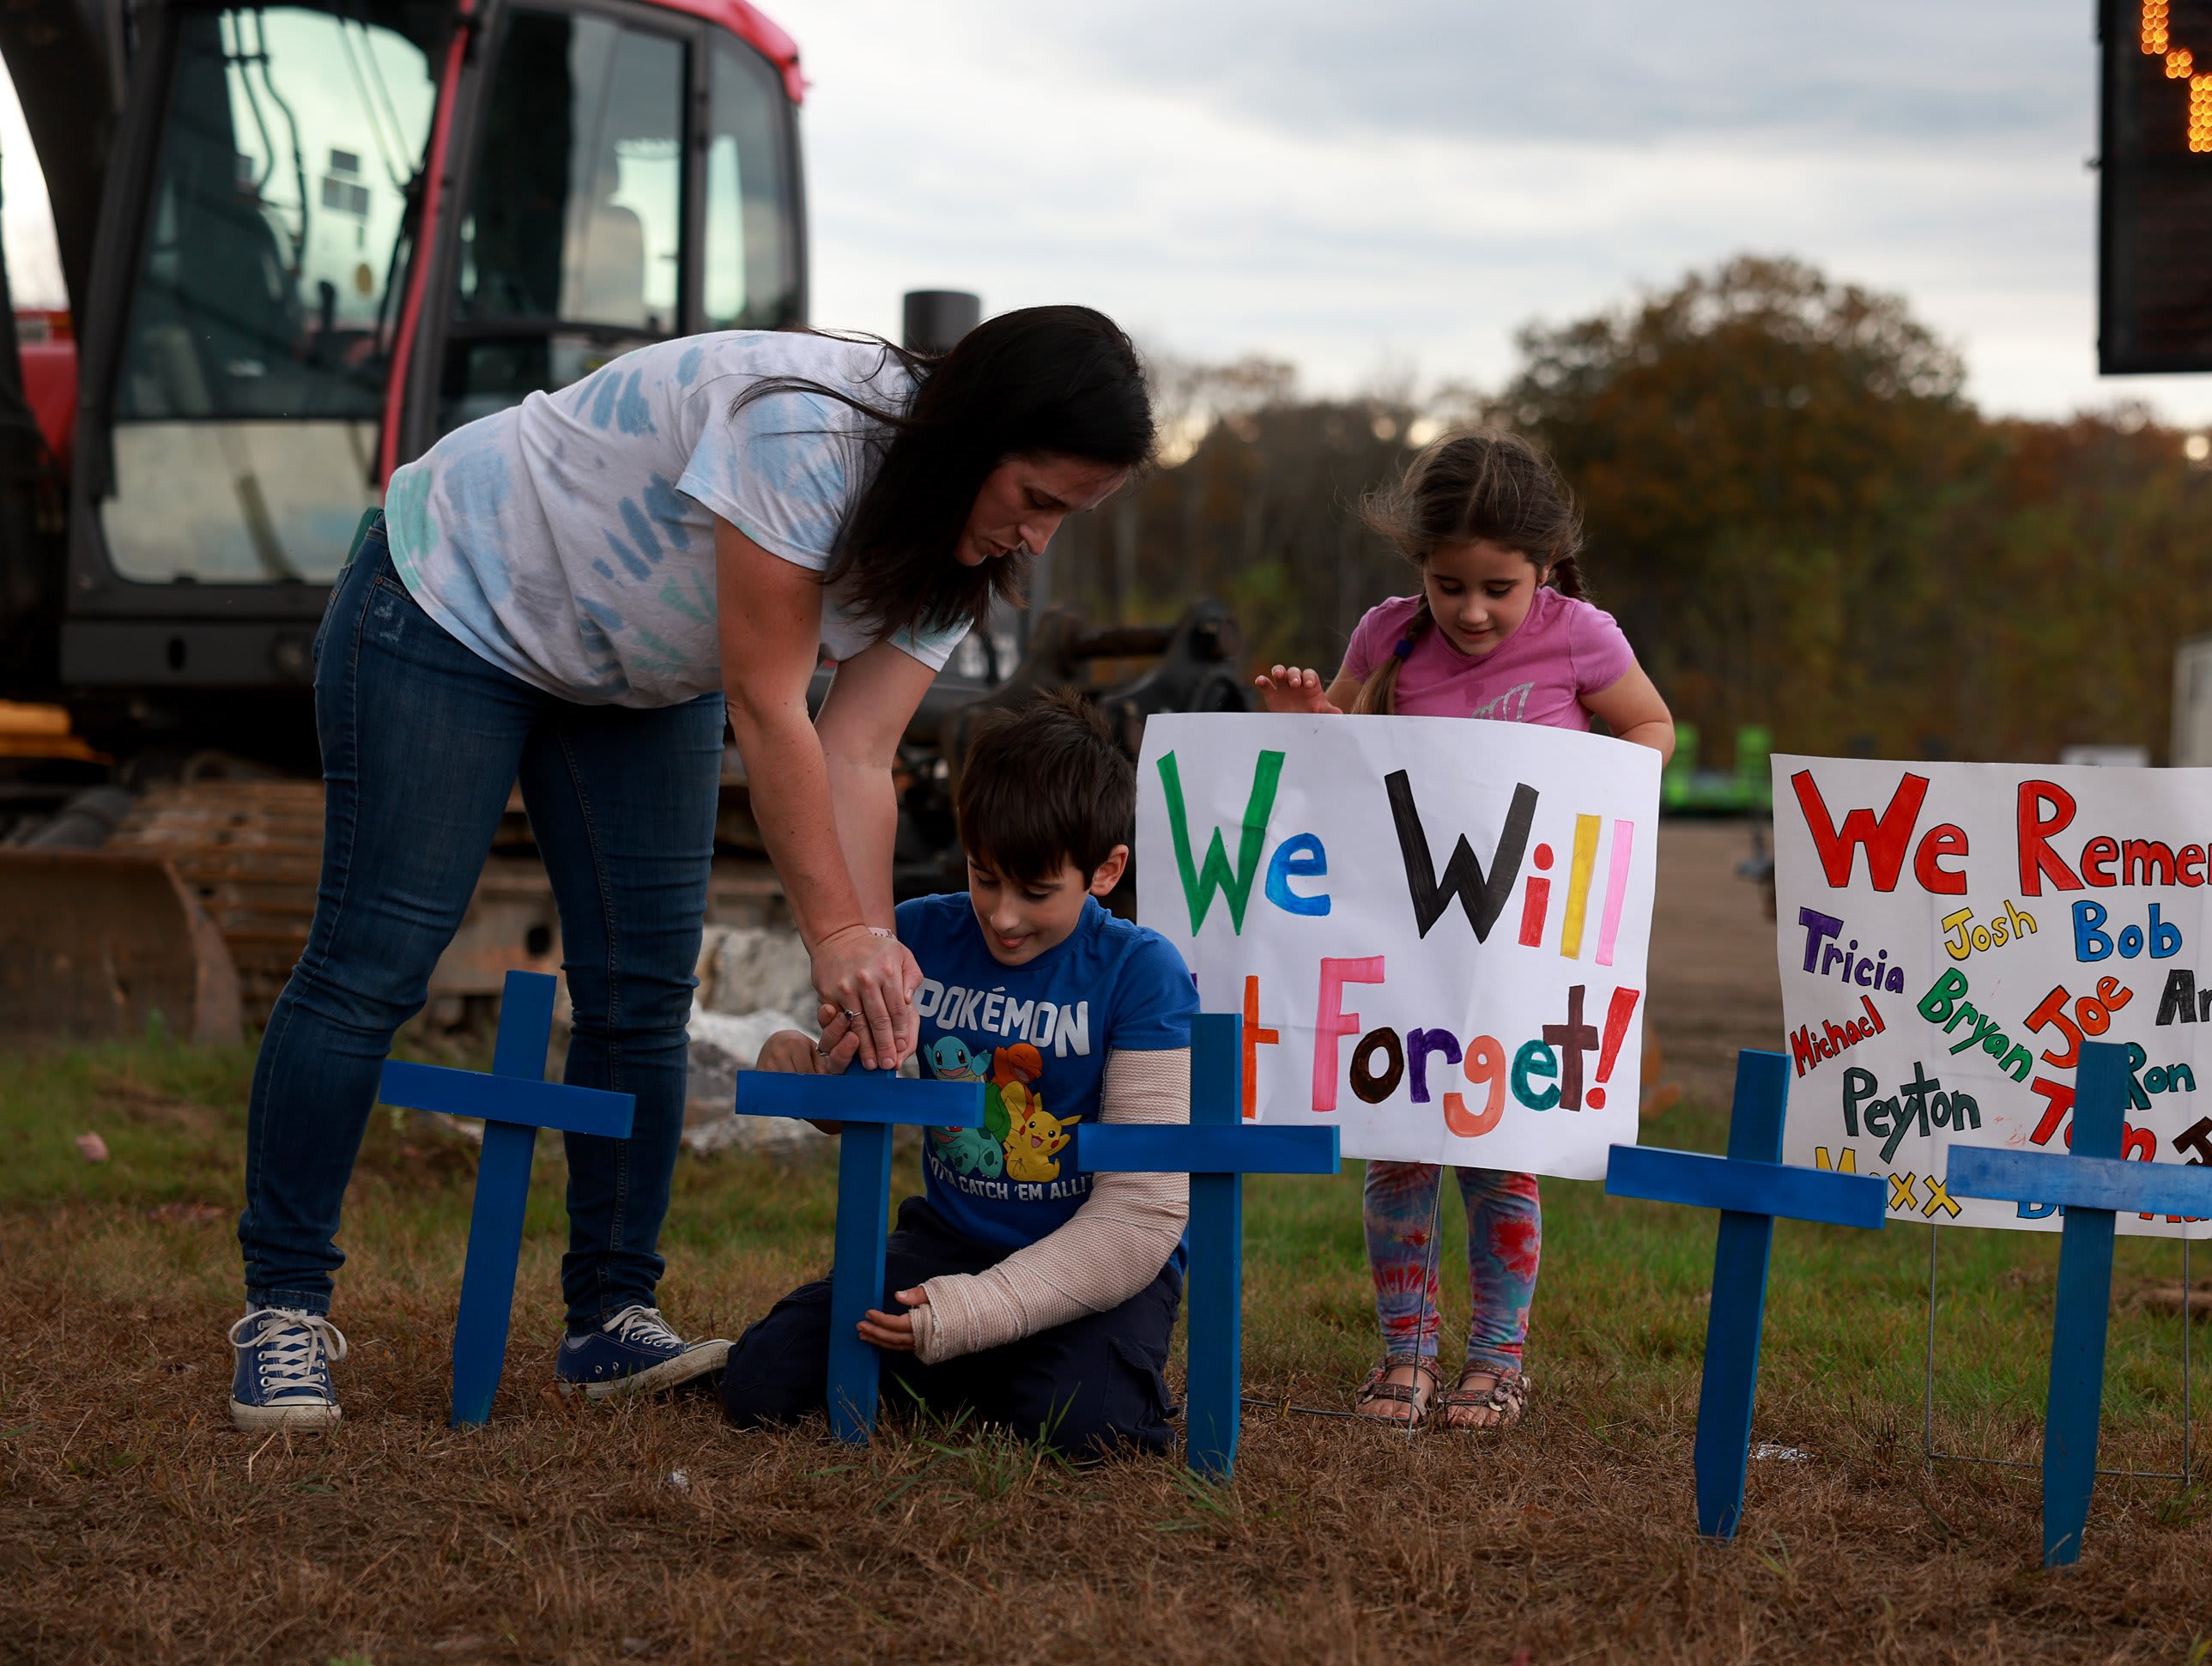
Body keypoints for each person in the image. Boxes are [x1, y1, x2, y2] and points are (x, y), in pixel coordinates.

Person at [227, 309, 1153, 1431]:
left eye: (1070, 515)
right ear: (977, 437)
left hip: (635, 675)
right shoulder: (805, 426)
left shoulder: (953, 554)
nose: (1039, 540)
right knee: (376, 958)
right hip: (455, 601)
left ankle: (609, 1317)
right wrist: (835, 936)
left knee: (646, 989)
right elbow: (772, 711)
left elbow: (857, 754)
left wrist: (873, 969)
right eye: (1039, 501)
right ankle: (283, 1311)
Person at [1251, 430, 1675, 1431]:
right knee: (1398, 1149)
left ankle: (1498, 1360)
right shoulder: (1387, 635)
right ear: (1419, 570)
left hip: (1518, 947)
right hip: (1405, 937)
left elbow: (1651, 728)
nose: (1472, 611)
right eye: (1450, 586)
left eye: (1499, 587)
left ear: (1542, 569)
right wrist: (1310, 717)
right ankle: (1405, 1354)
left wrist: (1605, 802)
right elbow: (1337, 765)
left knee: (1498, 1151)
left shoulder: (1583, 636)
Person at [721, 693, 1197, 1457]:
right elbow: (852, 1106)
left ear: (1105, 871)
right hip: (950, 1238)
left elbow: (1141, 1215)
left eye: (1036, 892)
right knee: (760, 1382)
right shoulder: (918, 934)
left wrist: (976, 1311)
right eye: (984, 878)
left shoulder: (1144, 974)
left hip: (1096, 1261)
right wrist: (805, 1067)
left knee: (1088, 1427)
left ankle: (999, 1355)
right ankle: (991, 1365)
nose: (1003, 917)